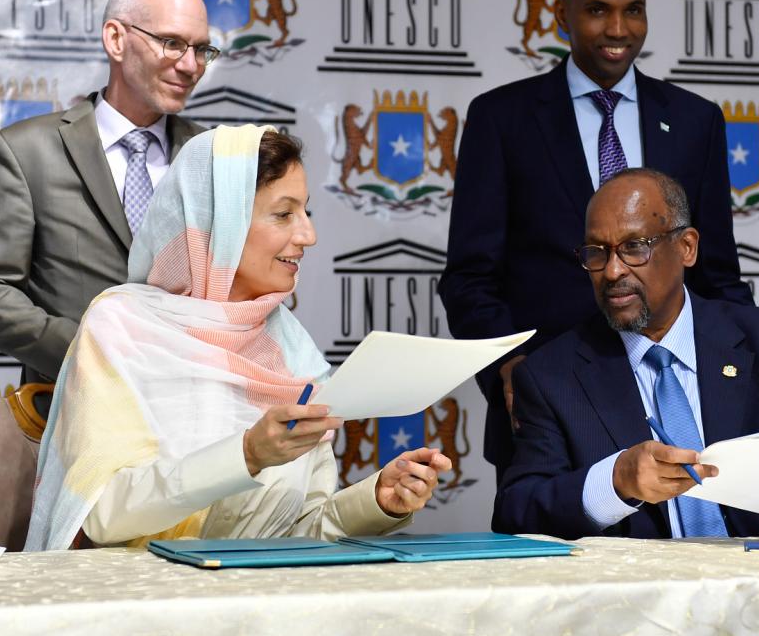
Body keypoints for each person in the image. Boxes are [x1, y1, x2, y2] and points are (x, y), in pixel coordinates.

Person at [25, 126, 452, 550]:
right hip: (150, 591)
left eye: (306, 213)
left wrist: (376, 502)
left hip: (263, 590)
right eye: (283, 214)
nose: (308, 236)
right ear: (220, 221)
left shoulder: (291, 347)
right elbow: (103, 515)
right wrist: (246, 455)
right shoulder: (122, 327)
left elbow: (298, 534)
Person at [440, 0, 751, 488]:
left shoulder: (695, 120)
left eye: (634, 10)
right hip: (553, 408)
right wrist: (511, 368)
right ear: (562, 14)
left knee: (695, 539)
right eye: (598, 9)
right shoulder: (502, 119)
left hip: (679, 402)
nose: (618, 28)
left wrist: (751, 370)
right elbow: (470, 278)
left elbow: (716, 273)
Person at [494, 168, 759, 540]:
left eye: (634, 247)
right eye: (596, 252)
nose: (612, 270)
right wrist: (616, 481)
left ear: (687, 247)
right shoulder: (552, 375)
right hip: (640, 599)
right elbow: (516, 512)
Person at [0, 0, 216, 415]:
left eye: (201, 49)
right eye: (172, 43)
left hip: (196, 416)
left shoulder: (214, 155)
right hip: (72, 419)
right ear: (116, 39)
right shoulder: (28, 152)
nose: (190, 65)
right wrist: (89, 350)